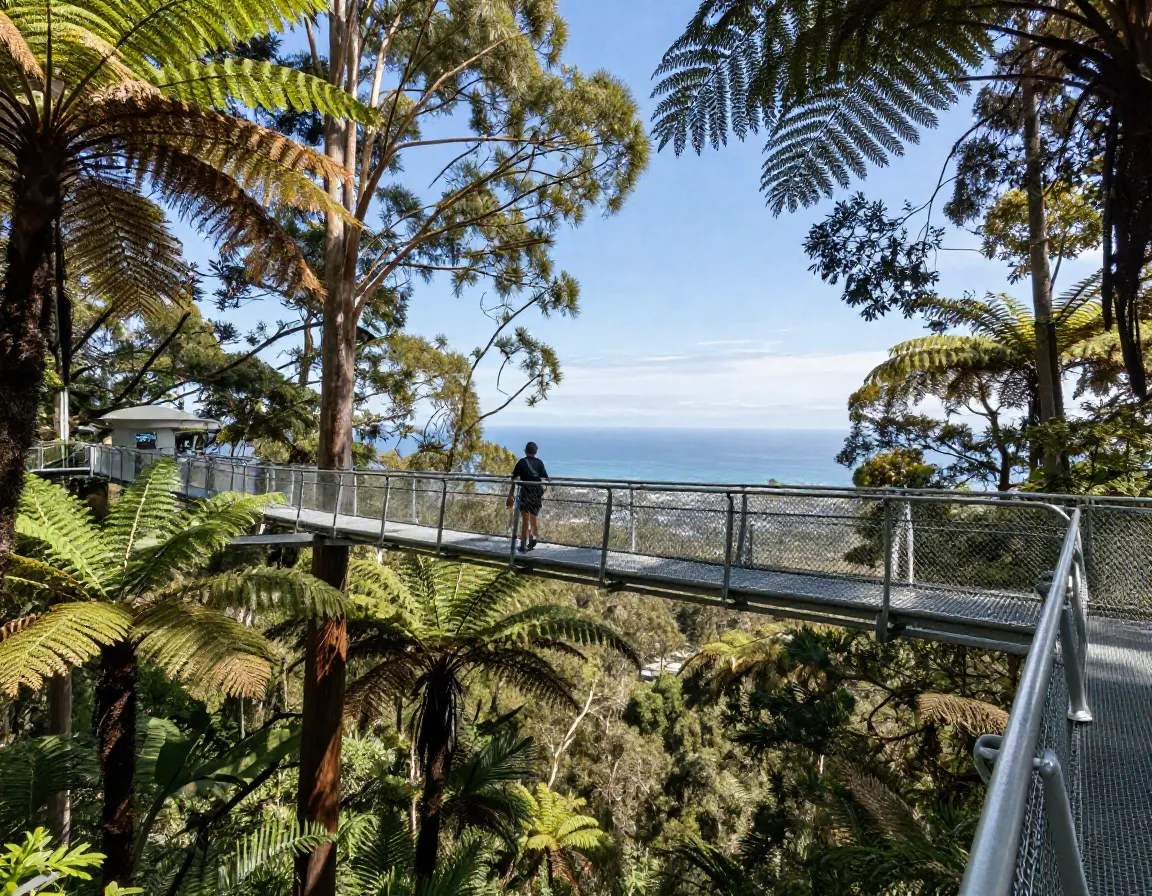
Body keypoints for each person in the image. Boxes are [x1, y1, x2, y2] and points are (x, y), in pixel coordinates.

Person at [507, 441, 549, 552]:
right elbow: (546, 477)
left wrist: (511, 494)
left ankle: (523, 545)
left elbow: (514, 478)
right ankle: (533, 537)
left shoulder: (521, 462)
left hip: (525, 492)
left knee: (525, 518)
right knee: (533, 517)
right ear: (536, 452)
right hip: (536, 493)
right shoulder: (539, 463)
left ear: (525, 451)